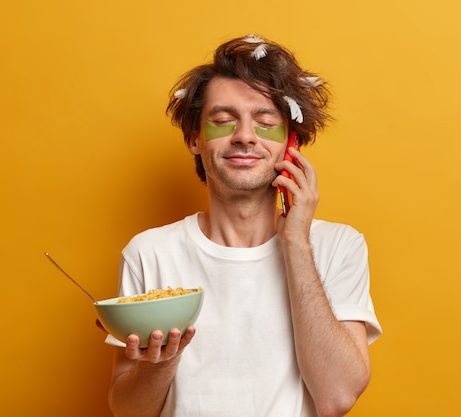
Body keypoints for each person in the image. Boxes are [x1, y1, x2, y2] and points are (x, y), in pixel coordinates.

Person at [105, 34, 382, 417]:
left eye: (266, 123)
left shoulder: (339, 247)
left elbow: (337, 398)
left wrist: (297, 244)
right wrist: (162, 362)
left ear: (291, 144)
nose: (246, 137)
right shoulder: (149, 253)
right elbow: (127, 412)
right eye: (222, 121)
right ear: (194, 139)